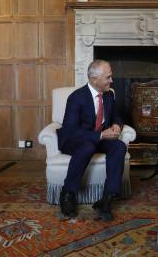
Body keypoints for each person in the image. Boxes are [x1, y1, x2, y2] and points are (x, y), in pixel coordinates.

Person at [58, 59, 126, 220]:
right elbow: (71, 130)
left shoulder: (109, 95)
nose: (112, 80)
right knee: (87, 147)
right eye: (108, 77)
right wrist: (101, 135)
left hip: (98, 138)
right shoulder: (76, 98)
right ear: (95, 79)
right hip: (76, 139)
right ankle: (68, 193)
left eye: (111, 76)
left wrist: (116, 124)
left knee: (119, 146)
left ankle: (107, 199)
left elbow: (115, 115)